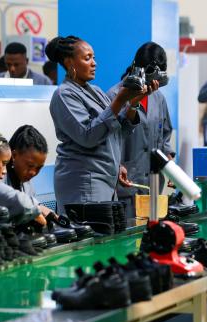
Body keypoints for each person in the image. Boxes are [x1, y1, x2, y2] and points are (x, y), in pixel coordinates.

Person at [45, 35, 148, 214]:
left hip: (105, 177)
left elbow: (118, 131)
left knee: (106, 235)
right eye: (87, 58)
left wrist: (132, 103)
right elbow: (88, 136)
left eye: (93, 57)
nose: (94, 63)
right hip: (84, 181)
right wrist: (119, 99)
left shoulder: (97, 91)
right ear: (70, 63)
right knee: (91, 238)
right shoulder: (64, 95)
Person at [107, 42, 175, 219]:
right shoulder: (115, 97)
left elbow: (165, 132)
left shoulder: (158, 98)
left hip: (153, 179)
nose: (153, 84)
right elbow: (107, 138)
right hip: (126, 180)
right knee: (128, 237)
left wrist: (169, 161)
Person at [6, 125, 55, 218]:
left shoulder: (25, 180)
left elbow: (33, 203)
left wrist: (42, 208)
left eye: (39, 168)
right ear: (14, 155)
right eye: (30, 166)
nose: (33, 173)